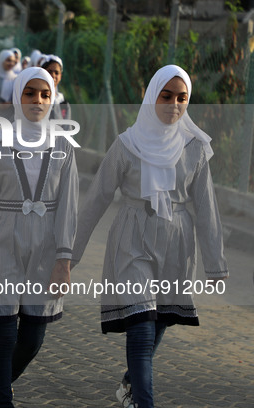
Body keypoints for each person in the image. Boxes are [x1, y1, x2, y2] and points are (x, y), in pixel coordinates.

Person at [71, 65, 228, 408]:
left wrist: (216, 264)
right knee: (141, 326)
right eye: (166, 96)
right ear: (151, 96)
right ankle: (144, 401)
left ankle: (130, 381)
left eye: (181, 98)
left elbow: (206, 206)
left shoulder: (195, 148)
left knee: (161, 321)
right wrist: (70, 255)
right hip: (133, 238)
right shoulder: (127, 145)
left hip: (178, 241)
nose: (173, 105)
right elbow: (97, 198)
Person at [0, 67, 78, 406]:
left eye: (44, 94)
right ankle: (1, 399)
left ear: (52, 99)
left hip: (46, 249)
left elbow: (68, 208)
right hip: (2, 243)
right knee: (5, 330)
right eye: (30, 93)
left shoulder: (64, 148)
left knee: (34, 336)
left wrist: (64, 261)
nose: (37, 100)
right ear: (17, 96)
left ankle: (0, 385)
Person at [41, 55, 71, 121]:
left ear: (60, 76)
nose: (53, 75)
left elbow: (67, 128)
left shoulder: (63, 103)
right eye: (49, 71)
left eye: (56, 73)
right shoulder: (36, 98)